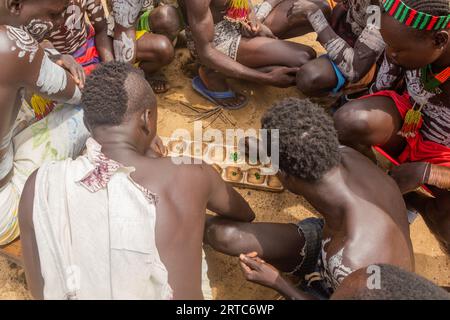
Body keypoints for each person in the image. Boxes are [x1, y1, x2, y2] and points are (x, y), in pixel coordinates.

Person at [18, 61, 255, 300]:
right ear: (147, 118)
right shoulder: (192, 174)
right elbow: (245, 213)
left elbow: (41, 291)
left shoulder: (40, 186)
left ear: (88, 124)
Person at [204, 98, 414, 299]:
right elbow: (306, 153)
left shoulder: (354, 262)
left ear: (287, 177)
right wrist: (266, 152)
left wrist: (278, 283)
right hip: (328, 242)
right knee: (223, 235)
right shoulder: (345, 155)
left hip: (345, 286)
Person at [333, 0, 450, 254]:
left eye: (398, 50)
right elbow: (383, 86)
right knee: (349, 121)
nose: (391, 53)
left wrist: (432, 173)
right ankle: (378, 187)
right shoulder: (404, 44)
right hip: (406, 118)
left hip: (444, 157)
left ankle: (411, 202)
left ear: (439, 41)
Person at [0, 0, 90, 246]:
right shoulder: (10, 46)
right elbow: (77, 93)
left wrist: (52, 54)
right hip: (3, 211)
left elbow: (37, 49)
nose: (59, 23)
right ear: (16, 5)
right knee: (88, 110)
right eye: (53, 14)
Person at [178, 0, 332, 109]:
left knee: (318, 8)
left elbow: (245, 5)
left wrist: (253, 20)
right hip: (216, 41)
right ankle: (213, 74)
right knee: (303, 57)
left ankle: (261, 54)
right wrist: (266, 78)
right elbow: (206, 51)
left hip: (237, 20)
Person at [290, 0, 386, 97]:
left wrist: (315, 15)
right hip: (339, 32)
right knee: (297, 5)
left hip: (360, 62)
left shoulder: (383, 11)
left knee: (310, 77)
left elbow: (354, 69)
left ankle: (334, 96)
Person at [109, 0, 183, 93]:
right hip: (121, 31)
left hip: (140, 20)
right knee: (164, 49)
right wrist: (125, 80)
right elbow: (124, 29)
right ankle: (143, 72)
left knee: (168, 17)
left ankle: (152, 64)